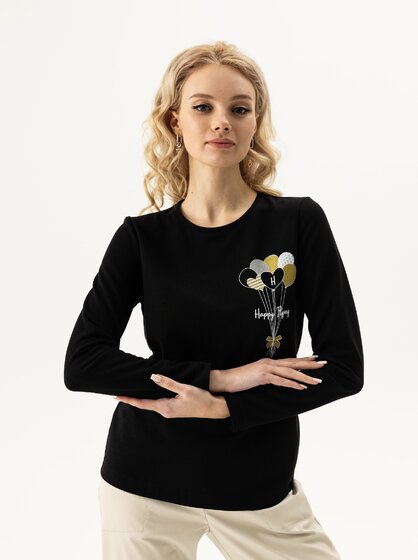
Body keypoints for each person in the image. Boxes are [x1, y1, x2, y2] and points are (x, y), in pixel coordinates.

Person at [64, 40, 364, 560]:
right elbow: (83, 363)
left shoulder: (298, 223)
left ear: (255, 122)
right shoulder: (142, 239)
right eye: (203, 107)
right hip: (144, 485)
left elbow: (344, 369)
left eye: (239, 109)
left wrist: (222, 408)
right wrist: (220, 378)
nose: (221, 121)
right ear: (175, 121)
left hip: (257, 487)